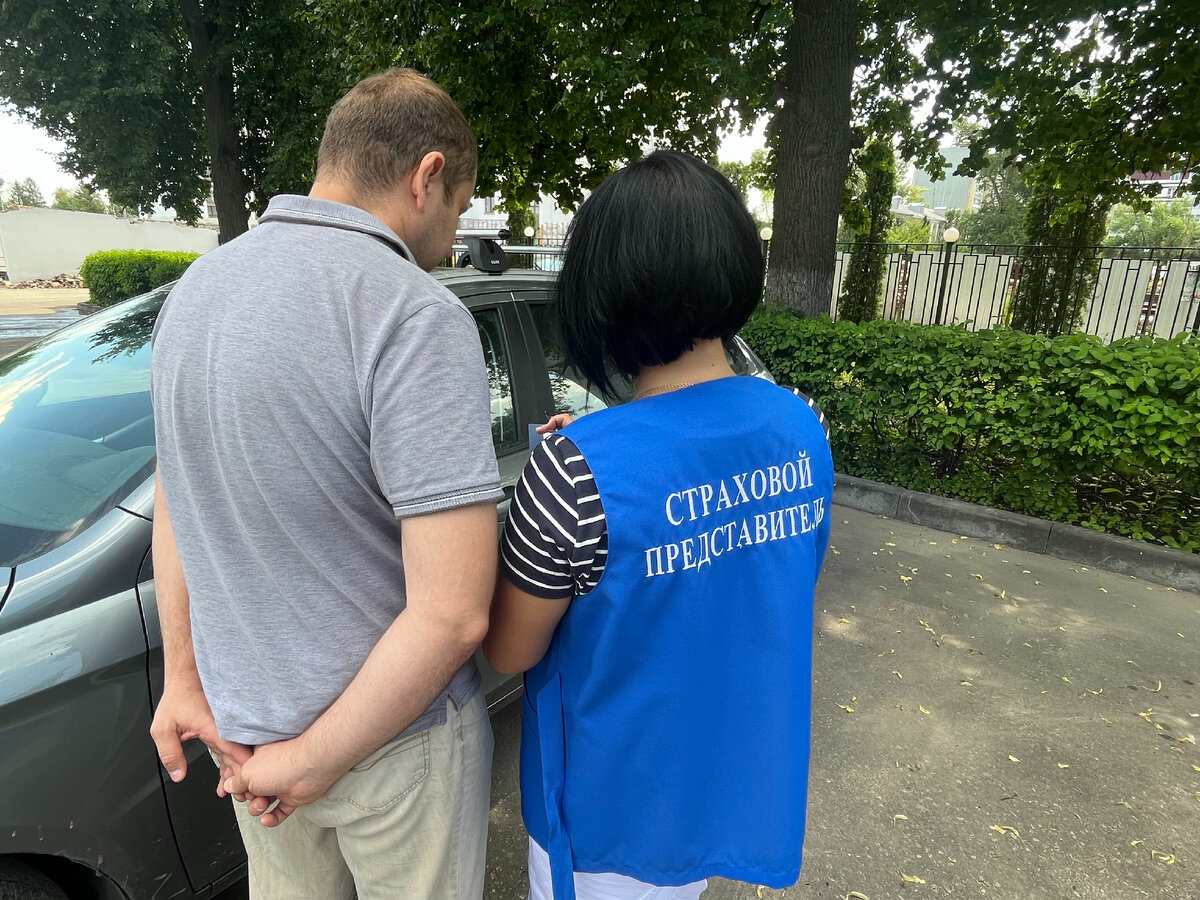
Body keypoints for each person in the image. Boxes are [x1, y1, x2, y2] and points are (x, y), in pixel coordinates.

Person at [149, 68, 502, 900]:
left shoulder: (195, 293)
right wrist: (311, 762)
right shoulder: (414, 313)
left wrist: (184, 677)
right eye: (458, 207)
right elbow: (453, 612)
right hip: (396, 752)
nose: (452, 235)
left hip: (250, 746)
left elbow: (178, 495)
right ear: (427, 175)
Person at [483, 149, 834, 900]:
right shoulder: (800, 427)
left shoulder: (574, 469)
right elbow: (762, 581)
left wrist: (558, 488)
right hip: (719, 787)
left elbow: (511, 648)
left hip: (610, 819)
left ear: (602, 293)